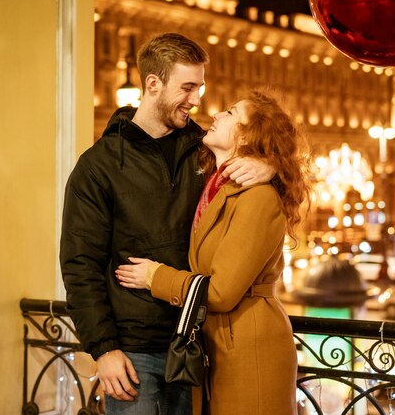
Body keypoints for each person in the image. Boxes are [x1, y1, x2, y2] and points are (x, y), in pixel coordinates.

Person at [60, 33, 273, 415]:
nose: (197, 100)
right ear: (152, 84)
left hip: (196, 345)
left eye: (200, 88)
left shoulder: (205, 150)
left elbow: (267, 156)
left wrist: (268, 166)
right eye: (187, 87)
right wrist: (104, 349)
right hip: (132, 352)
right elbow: (80, 265)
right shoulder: (98, 165)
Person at [115, 89, 311, 415]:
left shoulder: (257, 198)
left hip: (250, 348)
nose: (217, 114)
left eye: (232, 113)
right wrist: (272, 164)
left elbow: (220, 292)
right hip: (221, 342)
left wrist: (155, 276)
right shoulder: (217, 184)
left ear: (250, 135)